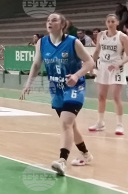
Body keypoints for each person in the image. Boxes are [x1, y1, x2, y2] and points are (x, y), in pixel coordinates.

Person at [20, 13, 95, 176]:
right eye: (48, 20)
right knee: (70, 125)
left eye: (54, 20)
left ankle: (62, 161)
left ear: (62, 25)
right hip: (56, 88)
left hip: (74, 87)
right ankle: (86, 154)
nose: (49, 22)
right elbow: (36, 64)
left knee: (65, 123)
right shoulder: (42, 42)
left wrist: (76, 76)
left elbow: (90, 62)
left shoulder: (73, 42)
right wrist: (28, 83)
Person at [89, 14, 126, 135]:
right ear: (106, 23)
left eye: (112, 21)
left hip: (116, 68)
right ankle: (100, 123)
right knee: (101, 96)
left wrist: (119, 64)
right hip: (103, 67)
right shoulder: (101, 35)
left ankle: (120, 125)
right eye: (108, 21)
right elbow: (96, 51)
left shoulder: (122, 37)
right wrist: (91, 65)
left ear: (117, 23)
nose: (110, 24)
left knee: (116, 97)